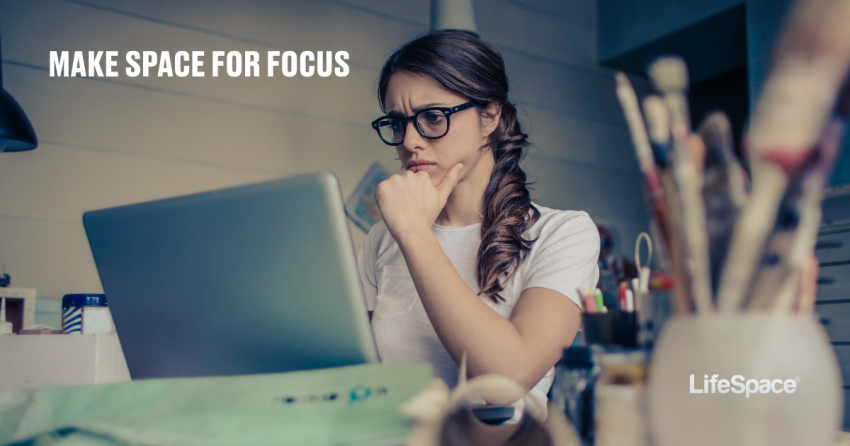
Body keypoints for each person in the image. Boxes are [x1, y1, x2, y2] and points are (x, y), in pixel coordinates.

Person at [357, 30, 600, 416]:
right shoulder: (382, 240)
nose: (410, 142)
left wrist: (415, 233)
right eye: (398, 122)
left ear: (490, 116)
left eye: (433, 117)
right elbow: (359, 380)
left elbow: (505, 381)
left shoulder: (563, 233)